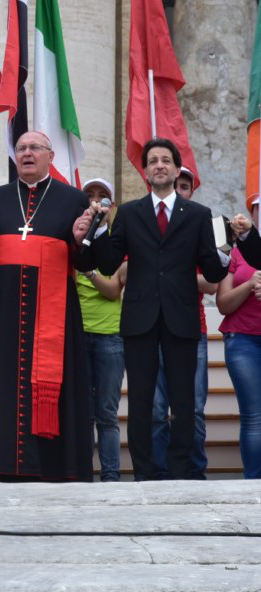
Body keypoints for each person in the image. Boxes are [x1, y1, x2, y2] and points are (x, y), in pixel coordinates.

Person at [0, 131, 95, 482]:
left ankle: (54, 468)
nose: (27, 154)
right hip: (0, 317)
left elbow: (91, 258)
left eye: (35, 148)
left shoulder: (73, 200)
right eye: (21, 149)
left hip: (54, 315)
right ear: (15, 157)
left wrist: (80, 240)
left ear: (50, 155)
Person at [83, 138, 232, 480]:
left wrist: (226, 246)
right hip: (140, 320)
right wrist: (101, 227)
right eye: (153, 160)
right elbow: (108, 263)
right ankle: (145, 474)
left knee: (183, 404)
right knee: (141, 402)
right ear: (146, 170)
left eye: (166, 160)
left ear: (177, 169)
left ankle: (180, 473)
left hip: (181, 319)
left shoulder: (197, 215)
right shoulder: (130, 213)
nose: (160, 165)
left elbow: (212, 270)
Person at [149, 165, 216, 479]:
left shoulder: (204, 222)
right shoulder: (147, 221)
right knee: (156, 410)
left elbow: (213, 282)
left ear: (190, 190)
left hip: (193, 329)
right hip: (153, 329)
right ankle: (161, 475)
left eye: (185, 186)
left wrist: (172, 276)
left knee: (193, 409)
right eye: (178, 184)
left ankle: (193, 473)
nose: (180, 190)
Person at [74, 178, 126, 483]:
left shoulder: (120, 241)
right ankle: (82, 475)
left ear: (112, 207)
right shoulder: (76, 241)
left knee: (107, 415)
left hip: (110, 336)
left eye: (103, 197)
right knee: (83, 413)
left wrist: (88, 272)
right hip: (78, 334)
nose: (96, 202)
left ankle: (110, 478)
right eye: (90, 196)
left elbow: (112, 291)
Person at [215, 195, 261, 479]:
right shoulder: (234, 249)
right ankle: (254, 484)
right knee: (254, 417)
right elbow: (223, 303)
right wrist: (250, 285)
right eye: (258, 208)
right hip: (243, 340)